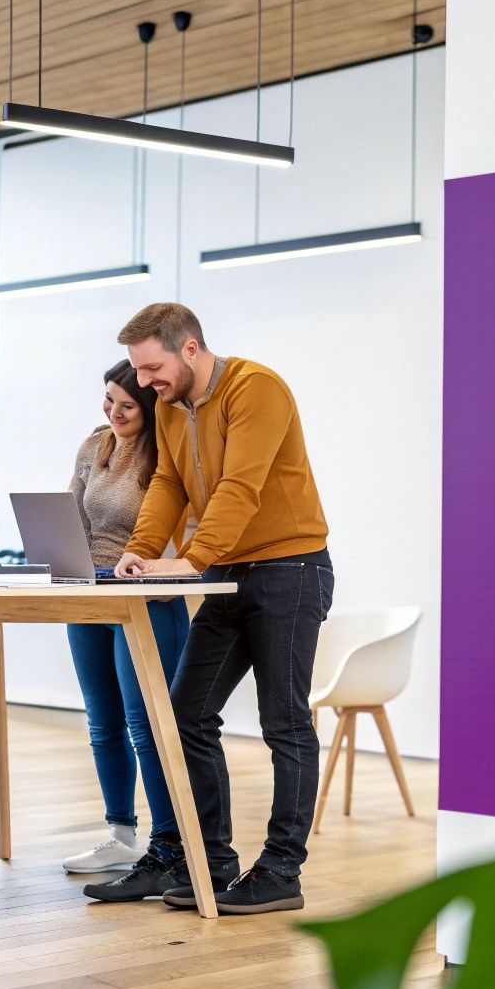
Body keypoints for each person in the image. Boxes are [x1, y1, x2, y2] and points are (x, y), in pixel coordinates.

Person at [113, 303, 333, 915]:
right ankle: (210, 861)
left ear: (189, 350)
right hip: (229, 573)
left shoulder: (255, 389)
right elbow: (169, 484)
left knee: (284, 724)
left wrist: (191, 559)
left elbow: (242, 484)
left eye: (153, 367)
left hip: (290, 570)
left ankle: (282, 870)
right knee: (186, 716)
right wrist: (140, 551)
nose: (147, 381)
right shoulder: (168, 406)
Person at [62, 362, 193, 901]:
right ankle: (121, 835)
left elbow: (182, 530)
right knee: (103, 720)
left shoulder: (169, 454)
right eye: (108, 399)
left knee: (148, 724)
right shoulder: (95, 446)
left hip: (147, 598)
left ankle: (171, 845)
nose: (113, 412)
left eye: (127, 405)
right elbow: (71, 513)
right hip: (87, 591)